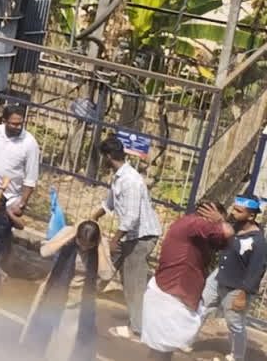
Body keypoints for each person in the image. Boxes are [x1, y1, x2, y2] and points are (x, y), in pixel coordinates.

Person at [141, 201, 234, 359]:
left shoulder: (192, 225)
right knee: (162, 349)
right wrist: (221, 221)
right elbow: (228, 233)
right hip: (172, 294)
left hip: (171, 291)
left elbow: (227, 244)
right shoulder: (196, 224)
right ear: (209, 214)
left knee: (162, 348)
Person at [91, 135, 161, 341]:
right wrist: (94, 216)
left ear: (108, 156)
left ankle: (137, 330)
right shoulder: (119, 176)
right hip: (127, 236)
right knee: (103, 268)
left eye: (103, 157)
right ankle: (80, 304)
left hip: (140, 238)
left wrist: (114, 241)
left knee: (132, 284)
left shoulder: (131, 181)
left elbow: (131, 218)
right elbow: (110, 204)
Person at [21, 220, 114, 361]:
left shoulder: (101, 244)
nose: (84, 248)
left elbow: (106, 274)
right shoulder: (68, 232)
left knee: (67, 338)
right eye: (81, 243)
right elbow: (44, 251)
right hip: (54, 289)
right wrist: (70, 236)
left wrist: (100, 246)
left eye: (89, 246)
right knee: (42, 327)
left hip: (79, 297)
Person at [201, 195, 267, 361]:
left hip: (237, 287)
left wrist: (243, 295)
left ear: (251, 216)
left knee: (235, 323)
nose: (234, 212)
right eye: (234, 208)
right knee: (200, 308)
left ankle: (237, 356)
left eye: (239, 210)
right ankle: (184, 338)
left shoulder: (258, 242)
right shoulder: (234, 228)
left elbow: (256, 270)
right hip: (218, 278)